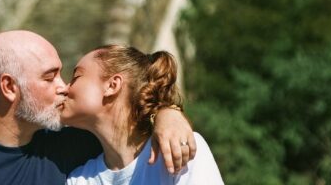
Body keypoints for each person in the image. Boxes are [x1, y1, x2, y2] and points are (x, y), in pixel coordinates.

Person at [0, 30, 196, 184]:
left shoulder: (76, 149)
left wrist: (167, 112)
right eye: (50, 77)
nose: (64, 87)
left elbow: (126, 126)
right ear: (9, 87)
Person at [62, 45, 224, 185]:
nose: (65, 88)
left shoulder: (179, 150)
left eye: (76, 77)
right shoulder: (79, 179)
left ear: (112, 85)